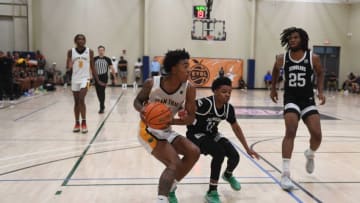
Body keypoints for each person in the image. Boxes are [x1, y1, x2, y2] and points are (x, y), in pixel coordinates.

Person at [133, 49, 200, 203]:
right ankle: (162, 198)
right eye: (185, 66)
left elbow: (190, 118)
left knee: (194, 152)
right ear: (174, 69)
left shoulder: (189, 88)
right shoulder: (152, 83)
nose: (188, 70)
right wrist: (142, 109)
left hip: (166, 129)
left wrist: (172, 121)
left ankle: (170, 187)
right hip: (148, 130)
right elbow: (137, 101)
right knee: (174, 163)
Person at [186, 77, 259, 203]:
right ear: (215, 91)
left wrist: (247, 148)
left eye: (229, 92)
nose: (227, 95)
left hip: (212, 134)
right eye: (224, 91)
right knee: (219, 153)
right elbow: (188, 108)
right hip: (196, 134)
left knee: (235, 155)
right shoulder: (205, 104)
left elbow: (236, 127)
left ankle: (228, 175)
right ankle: (212, 191)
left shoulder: (228, 108)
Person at [270, 27, 325, 191]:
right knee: (291, 130)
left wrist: (320, 92)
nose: (292, 40)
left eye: (295, 37)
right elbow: (274, 71)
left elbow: (321, 73)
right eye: (290, 38)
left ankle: (310, 153)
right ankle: (285, 174)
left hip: (307, 99)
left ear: (302, 39)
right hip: (291, 98)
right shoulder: (282, 58)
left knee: (317, 135)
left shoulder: (312, 57)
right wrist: (273, 88)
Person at [66, 34, 105, 133]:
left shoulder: (90, 51)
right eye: (79, 39)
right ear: (75, 40)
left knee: (81, 98)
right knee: (76, 102)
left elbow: (92, 67)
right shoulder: (71, 52)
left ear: (85, 41)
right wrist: (69, 67)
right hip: (75, 79)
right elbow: (68, 66)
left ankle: (84, 123)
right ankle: (77, 123)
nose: (81, 40)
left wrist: (98, 80)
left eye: (83, 39)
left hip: (87, 79)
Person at [94, 45, 116, 114]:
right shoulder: (94, 59)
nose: (101, 51)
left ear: (104, 51)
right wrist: (90, 76)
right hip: (96, 77)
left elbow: (112, 69)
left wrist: (114, 78)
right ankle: (102, 104)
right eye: (100, 50)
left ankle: (101, 107)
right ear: (98, 51)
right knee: (98, 92)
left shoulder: (107, 59)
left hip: (104, 77)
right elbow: (91, 68)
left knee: (102, 91)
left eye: (102, 50)